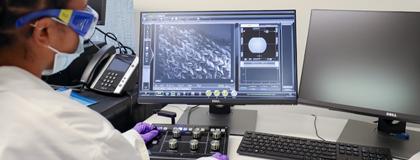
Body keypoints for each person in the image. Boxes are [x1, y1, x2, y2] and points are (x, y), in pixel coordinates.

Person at [0, 0, 228, 160]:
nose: (82, 34)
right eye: (81, 20)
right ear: (44, 32)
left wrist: (129, 143)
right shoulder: (69, 126)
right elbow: (85, 147)